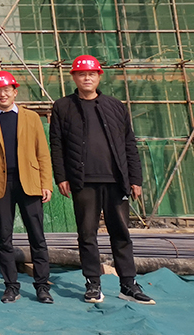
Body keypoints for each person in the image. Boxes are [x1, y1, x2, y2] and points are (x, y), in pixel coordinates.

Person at [50, 55, 155, 305]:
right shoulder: (63, 107)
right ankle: (93, 284)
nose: (87, 78)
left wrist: (135, 178)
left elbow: (129, 144)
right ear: (74, 77)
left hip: (116, 180)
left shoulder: (115, 106)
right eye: (82, 74)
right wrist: (61, 176)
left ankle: (128, 284)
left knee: (121, 233)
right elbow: (57, 145)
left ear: (99, 77)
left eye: (92, 74)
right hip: (83, 181)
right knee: (87, 233)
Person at [0, 71, 53, 304]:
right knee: (4, 238)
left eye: (7, 90)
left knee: (37, 236)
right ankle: (11, 286)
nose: (3, 94)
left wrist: (46, 183)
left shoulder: (31, 118)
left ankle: (42, 286)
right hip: (0, 185)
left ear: (14, 92)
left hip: (29, 182)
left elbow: (42, 152)